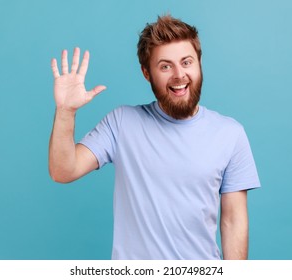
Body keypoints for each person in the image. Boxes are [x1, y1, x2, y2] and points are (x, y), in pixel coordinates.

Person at [49, 15, 260, 260]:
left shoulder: (230, 134)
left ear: (199, 64)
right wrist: (65, 111)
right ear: (147, 73)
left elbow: (233, 222)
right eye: (165, 66)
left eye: (187, 62)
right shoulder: (121, 123)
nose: (179, 75)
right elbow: (63, 171)